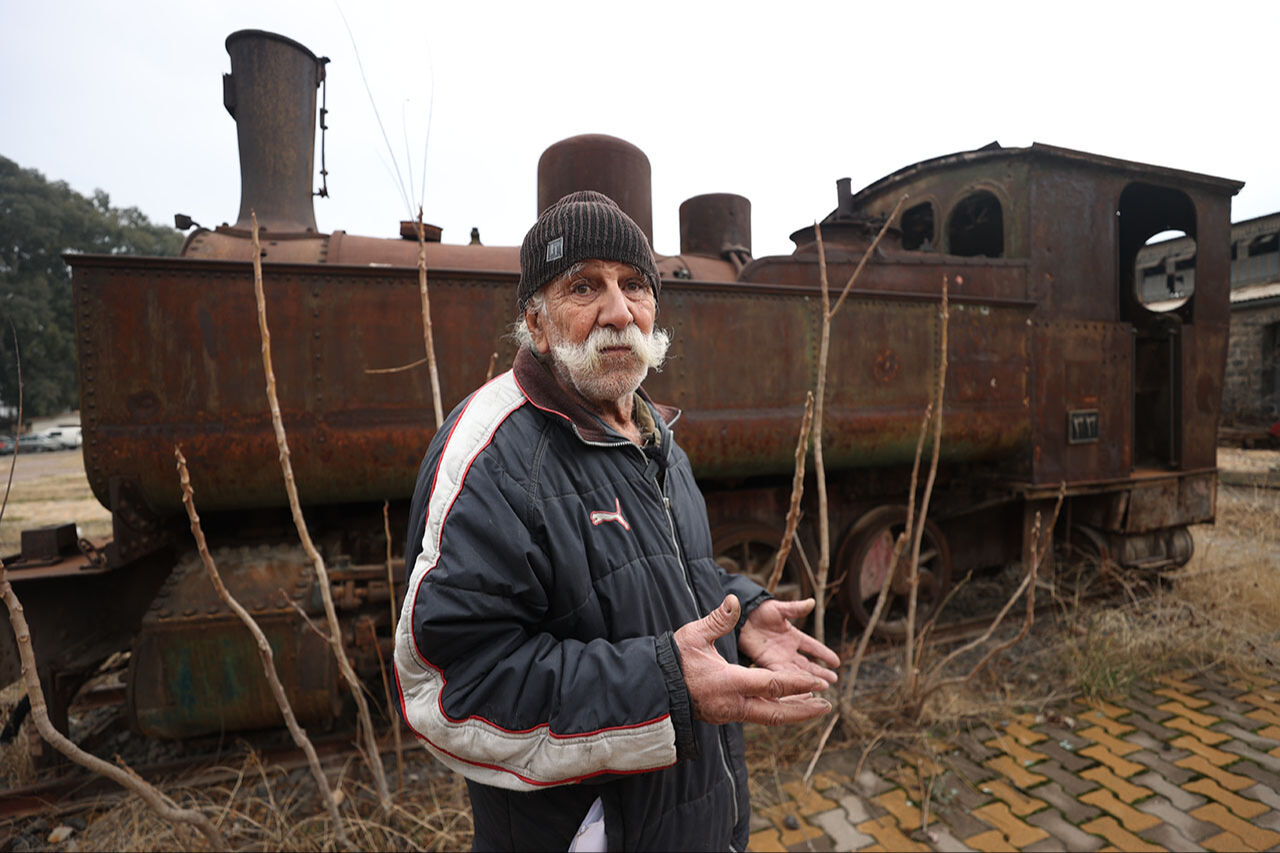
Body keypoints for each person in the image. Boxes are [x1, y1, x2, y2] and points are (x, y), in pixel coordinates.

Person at [394, 190, 840, 851]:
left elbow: (657, 573)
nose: (619, 311)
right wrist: (665, 684)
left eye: (634, 284)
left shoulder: (653, 434)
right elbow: (448, 687)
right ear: (537, 323)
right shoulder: (491, 458)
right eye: (584, 286)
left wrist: (740, 611)